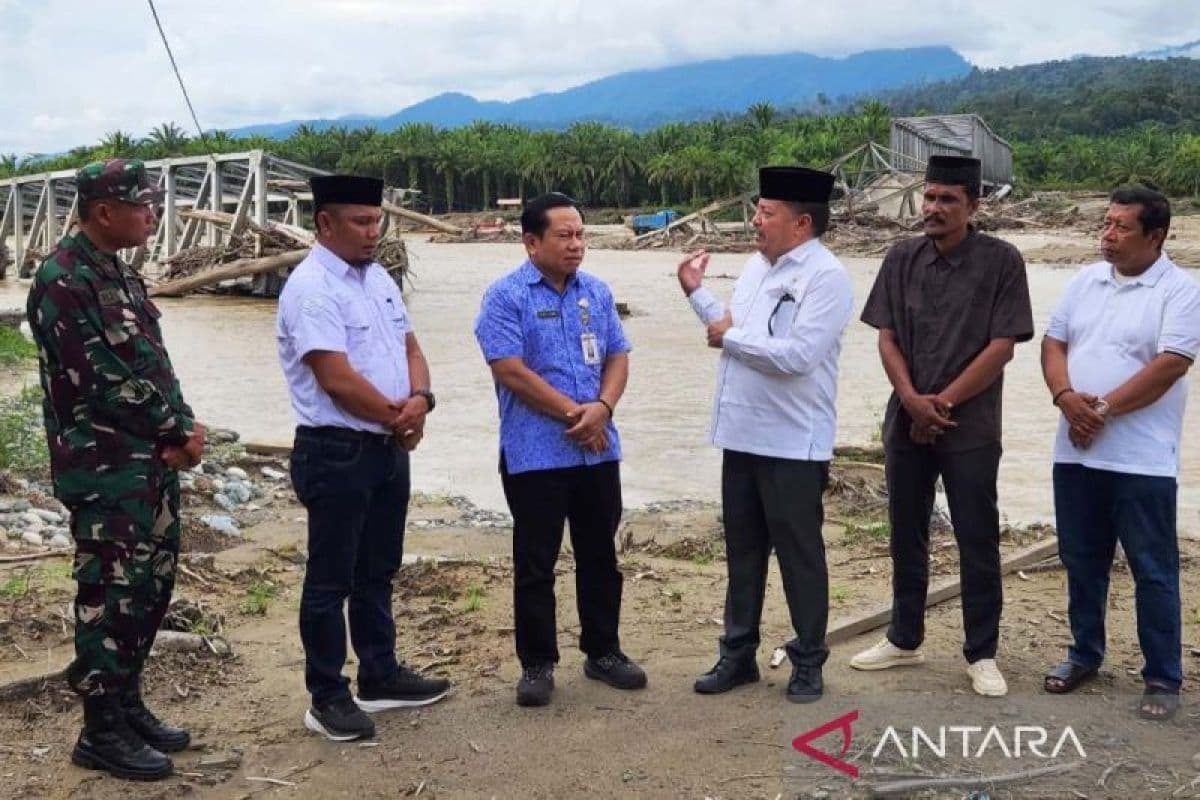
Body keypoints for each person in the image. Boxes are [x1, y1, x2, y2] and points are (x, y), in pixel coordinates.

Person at [27, 159, 204, 780]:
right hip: (102, 469)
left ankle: (127, 704)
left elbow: (154, 362)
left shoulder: (120, 277)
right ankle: (99, 728)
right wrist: (175, 428)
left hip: (148, 463)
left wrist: (184, 423)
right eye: (143, 204)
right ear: (104, 212)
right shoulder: (61, 280)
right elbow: (99, 379)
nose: (153, 213)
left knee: (150, 589)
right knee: (109, 595)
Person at [852, 155, 1033, 697]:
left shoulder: (1002, 262)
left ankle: (982, 652)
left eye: (947, 199)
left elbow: (1003, 347)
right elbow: (885, 336)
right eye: (929, 197)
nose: (933, 208)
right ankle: (904, 638)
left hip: (970, 427)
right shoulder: (901, 257)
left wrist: (942, 404)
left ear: (973, 206)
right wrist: (911, 400)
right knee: (906, 532)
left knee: (977, 537)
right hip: (906, 423)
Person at [276, 174, 448, 742]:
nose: (373, 232)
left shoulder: (377, 280)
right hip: (337, 450)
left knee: (378, 569)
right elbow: (336, 379)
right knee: (330, 581)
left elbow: (410, 347)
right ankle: (327, 695)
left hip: (386, 448)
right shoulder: (311, 288)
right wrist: (399, 417)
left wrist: (420, 401)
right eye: (360, 222)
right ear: (325, 223)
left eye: (377, 221)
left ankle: (380, 673)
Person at [681, 166, 854, 703]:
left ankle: (807, 662)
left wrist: (730, 338)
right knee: (744, 552)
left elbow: (798, 356)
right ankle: (738, 655)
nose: (755, 219)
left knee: (801, 556)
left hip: (792, 442)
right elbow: (733, 327)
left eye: (766, 212)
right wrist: (695, 293)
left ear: (802, 223)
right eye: (758, 209)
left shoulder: (827, 277)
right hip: (741, 435)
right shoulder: (757, 267)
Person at [473, 192, 646, 707]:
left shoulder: (596, 290)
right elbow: (509, 370)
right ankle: (537, 664)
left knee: (600, 554)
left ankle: (603, 651)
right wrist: (578, 415)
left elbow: (617, 354)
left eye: (581, 235)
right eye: (564, 236)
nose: (576, 245)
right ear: (531, 242)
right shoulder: (506, 296)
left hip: (598, 450)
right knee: (535, 562)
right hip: (535, 454)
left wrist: (604, 409)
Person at [1041, 185, 1200, 721]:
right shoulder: (1085, 281)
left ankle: (1162, 676)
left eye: (1120, 227)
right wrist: (1066, 399)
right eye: (1105, 224)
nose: (1106, 235)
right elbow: (1053, 343)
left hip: (1141, 460)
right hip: (1075, 453)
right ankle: (1084, 654)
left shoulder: (1180, 290)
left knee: (1152, 569)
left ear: (1155, 236)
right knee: (1081, 561)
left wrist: (1099, 411)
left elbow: (1170, 365)